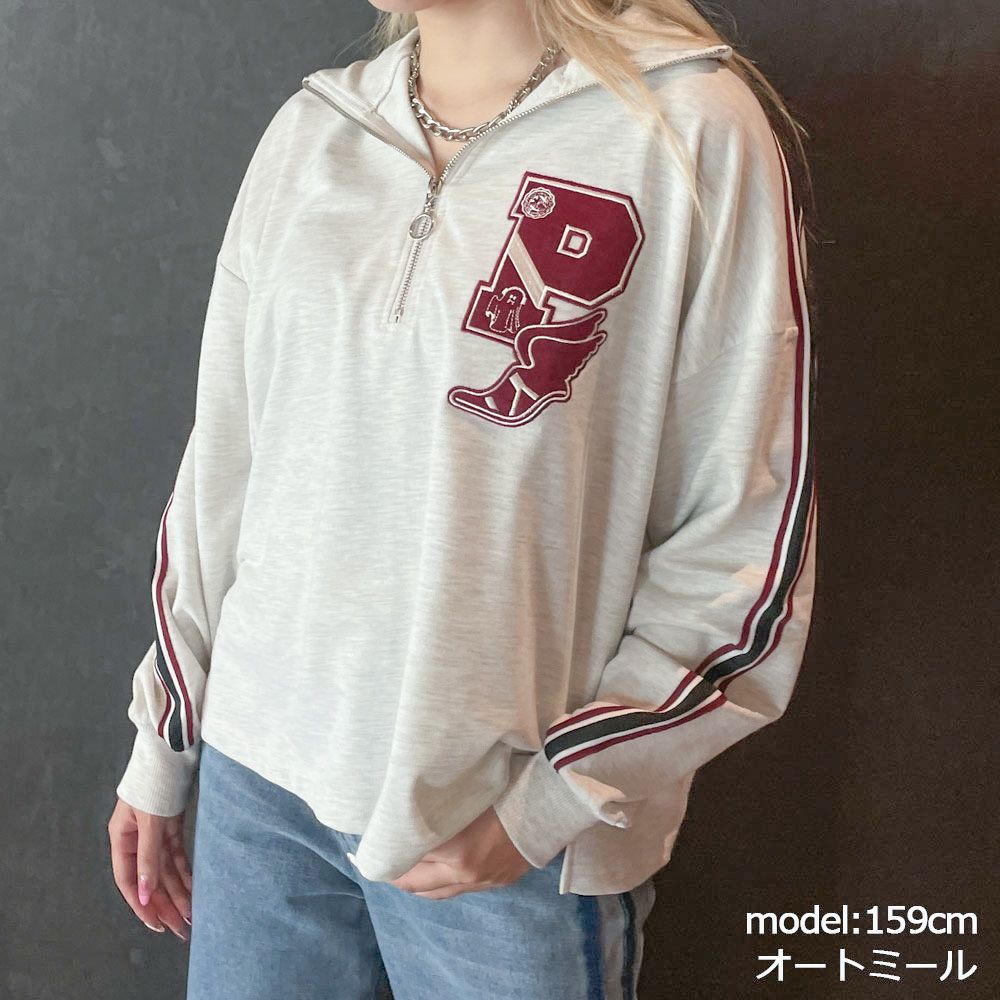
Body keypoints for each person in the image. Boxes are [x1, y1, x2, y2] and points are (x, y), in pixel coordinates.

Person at [107, 0, 819, 996]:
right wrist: (165, 740)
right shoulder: (316, 128)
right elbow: (225, 464)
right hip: (256, 788)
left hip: (501, 831)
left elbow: (743, 529)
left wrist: (544, 807)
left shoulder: (687, 126)